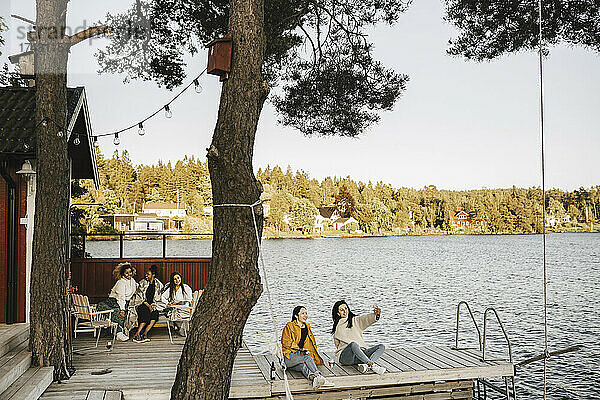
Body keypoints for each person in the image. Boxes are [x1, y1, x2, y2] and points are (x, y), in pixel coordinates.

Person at [281, 306, 334, 390]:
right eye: (302, 313)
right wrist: (300, 349)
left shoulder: (307, 327)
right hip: (288, 358)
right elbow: (286, 342)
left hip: (298, 358)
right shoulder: (289, 326)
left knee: (303, 366)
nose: (305, 315)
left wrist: (314, 356)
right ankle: (320, 376)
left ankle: (314, 379)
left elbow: (311, 343)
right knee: (307, 359)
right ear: (296, 315)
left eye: (306, 313)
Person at [331, 300, 386, 374]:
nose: (345, 311)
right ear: (338, 313)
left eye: (346, 308)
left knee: (381, 346)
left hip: (359, 355)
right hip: (346, 358)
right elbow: (337, 345)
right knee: (353, 344)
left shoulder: (355, 320)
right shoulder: (338, 327)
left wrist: (376, 315)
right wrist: (348, 347)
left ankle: (367, 365)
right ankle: (372, 365)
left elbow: (366, 319)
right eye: (341, 310)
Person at [96, 262, 138, 341]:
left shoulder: (132, 281)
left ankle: (122, 330)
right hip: (113, 302)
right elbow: (120, 297)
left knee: (127, 311)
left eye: (130, 272)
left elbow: (135, 288)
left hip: (125, 302)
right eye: (126, 273)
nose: (129, 274)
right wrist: (122, 309)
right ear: (122, 274)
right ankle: (119, 333)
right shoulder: (120, 282)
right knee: (119, 313)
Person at [131, 265, 164, 343]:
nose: (146, 275)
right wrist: (149, 306)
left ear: (153, 275)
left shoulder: (158, 284)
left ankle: (145, 333)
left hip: (152, 305)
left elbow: (158, 298)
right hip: (142, 304)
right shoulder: (142, 283)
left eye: (148, 274)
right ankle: (137, 333)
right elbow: (139, 296)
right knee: (145, 312)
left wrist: (152, 306)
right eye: (146, 274)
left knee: (155, 314)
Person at [159, 271, 193, 336]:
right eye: (175, 279)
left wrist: (178, 303)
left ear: (181, 278)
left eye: (178, 278)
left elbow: (189, 299)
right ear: (173, 280)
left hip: (184, 308)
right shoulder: (171, 289)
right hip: (175, 307)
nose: (177, 280)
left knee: (174, 313)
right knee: (167, 309)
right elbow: (162, 297)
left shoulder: (186, 288)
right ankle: (178, 327)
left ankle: (181, 328)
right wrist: (168, 303)